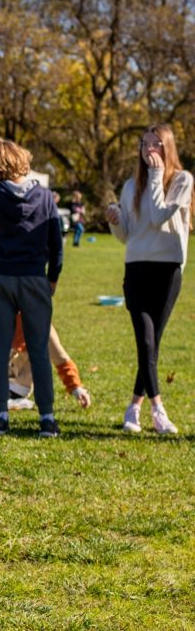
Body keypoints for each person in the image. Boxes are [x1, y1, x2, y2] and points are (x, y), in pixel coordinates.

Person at [0, 140, 63, 437]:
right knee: (38, 349)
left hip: (1, 277)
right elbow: (56, 241)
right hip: (35, 277)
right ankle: (47, 417)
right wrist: (53, 277)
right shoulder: (45, 196)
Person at [107, 124, 191, 435]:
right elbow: (127, 235)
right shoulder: (131, 186)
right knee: (144, 337)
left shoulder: (182, 180)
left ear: (168, 147)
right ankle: (158, 408)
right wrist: (116, 222)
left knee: (152, 344)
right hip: (137, 269)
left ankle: (134, 406)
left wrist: (156, 178)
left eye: (156, 144)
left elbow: (158, 216)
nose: (149, 150)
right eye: (145, 144)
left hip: (168, 270)